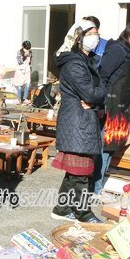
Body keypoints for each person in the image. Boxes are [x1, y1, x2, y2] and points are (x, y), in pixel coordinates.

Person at [51, 19, 108, 223]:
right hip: (78, 121)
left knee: (75, 171)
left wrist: (95, 99)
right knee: (81, 172)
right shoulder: (75, 63)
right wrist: (100, 95)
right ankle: (83, 213)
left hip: (79, 120)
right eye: (91, 32)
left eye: (97, 33)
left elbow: (93, 93)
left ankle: (61, 209)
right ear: (78, 36)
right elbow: (92, 93)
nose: (96, 36)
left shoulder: (85, 60)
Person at [93, 21, 130, 194]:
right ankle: (94, 189)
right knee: (103, 150)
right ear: (129, 31)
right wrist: (100, 104)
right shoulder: (118, 49)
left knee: (109, 149)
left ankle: (98, 187)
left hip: (120, 112)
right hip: (109, 110)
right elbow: (102, 76)